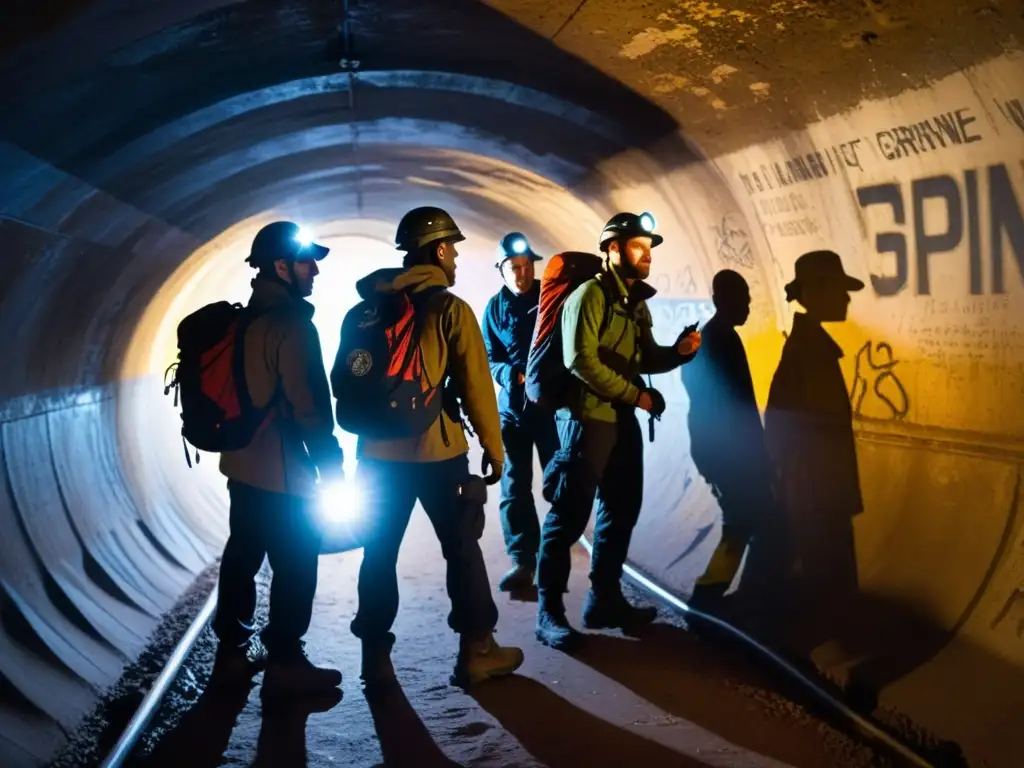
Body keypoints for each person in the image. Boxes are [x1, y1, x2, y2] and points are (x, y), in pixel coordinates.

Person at [342, 206, 524, 687]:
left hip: (377, 456)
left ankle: (374, 660)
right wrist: (493, 445)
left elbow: (348, 377)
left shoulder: (364, 310)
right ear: (440, 249)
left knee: (377, 553)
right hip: (437, 454)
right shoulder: (450, 309)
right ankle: (477, 652)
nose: (457, 259)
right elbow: (477, 386)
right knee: (461, 549)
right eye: (454, 250)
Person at [535, 211, 703, 651]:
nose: (646, 255)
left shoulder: (634, 301)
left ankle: (603, 599)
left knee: (621, 508)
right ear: (612, 249)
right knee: (568, 517)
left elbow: (644, 357)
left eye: (649, 248)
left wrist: (678, 353)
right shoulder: (589, 296)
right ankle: (548, 611)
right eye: (637, 246)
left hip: (620, 420)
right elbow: (579, 360)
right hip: (585, 421)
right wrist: (638, 396)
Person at [213, 220, 344, 696]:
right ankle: (286, 662)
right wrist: (331, 467)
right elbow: (309, 406)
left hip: (241, 467)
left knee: (243, 556)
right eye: (308, 263)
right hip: (285, 473)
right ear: (282, 266)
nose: (314, 272)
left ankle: (230, 654)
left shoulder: (243, 319)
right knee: (295, 562)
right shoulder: (291, 324)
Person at [764, 250, 865, 617]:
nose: (847, 297)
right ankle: (826, 648)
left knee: (821, 570)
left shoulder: (807, 348)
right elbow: (792, 426)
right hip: (818, 490)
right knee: (826, 572)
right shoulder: (810, 353)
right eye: (840, 289)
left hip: (815, 487)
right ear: (818, 292)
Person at [681, 269, 782, 615]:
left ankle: (727, 597)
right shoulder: (713, 341)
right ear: (721, 301)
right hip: (730, 455)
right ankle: (711, 600)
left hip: (728, 453)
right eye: (743, 300)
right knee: (749, 524)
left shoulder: (719, 338)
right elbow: (727, 406)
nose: (749, 306)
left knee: (746, 523)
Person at [482, 232, 560, 592]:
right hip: (513, 411)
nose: (521, 274)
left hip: (550, 409)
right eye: (514, 267)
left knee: (560, 481)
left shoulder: (552, 299)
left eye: (526, 266)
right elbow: (489, 357)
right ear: (500, 270)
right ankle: (523, 561)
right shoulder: (494, 309)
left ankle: (554, 555)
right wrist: (509, 374)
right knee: (514, 486)